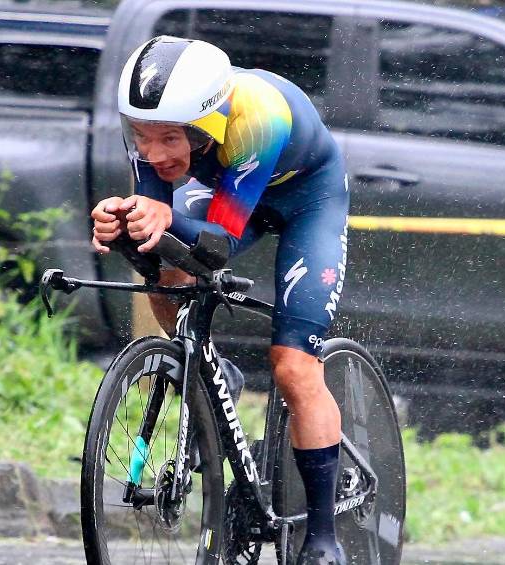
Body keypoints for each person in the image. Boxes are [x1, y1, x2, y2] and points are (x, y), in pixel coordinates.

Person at [91, 35, 349, 565]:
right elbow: (159, 228)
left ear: (204, 125)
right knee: (168, 270)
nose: (150, 152)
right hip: (231, 191)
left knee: (294, 368)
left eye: (167, 140)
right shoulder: (155, 128)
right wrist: (123, 225)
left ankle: (323, 537)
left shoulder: (258, 118)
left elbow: (219, 244)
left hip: (308, 202)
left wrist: (165, 218)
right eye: (139, 136)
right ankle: (215, 370)